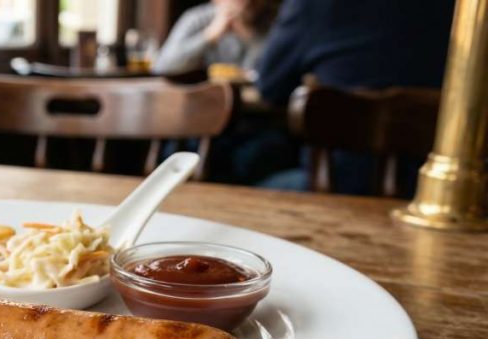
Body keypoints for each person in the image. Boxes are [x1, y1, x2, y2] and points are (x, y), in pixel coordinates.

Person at [256, 0, 456, 195]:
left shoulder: (315, 5)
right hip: (444, 188)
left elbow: (270, 87)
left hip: (338, 186)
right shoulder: (462, 10)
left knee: (245, 166)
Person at [153, 0, 281, 75]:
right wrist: (208, 36)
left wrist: (251, 37)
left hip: (262, 109)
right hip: (209, 105)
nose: (246, 2)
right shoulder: (197, 19)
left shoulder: (276, 19)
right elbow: (162, 66)